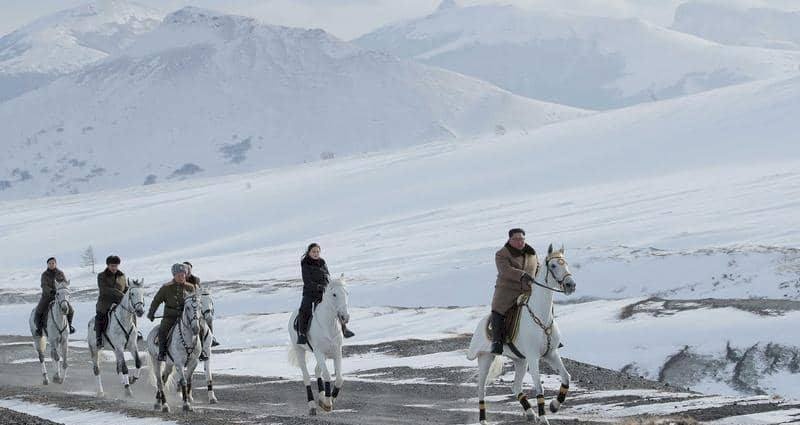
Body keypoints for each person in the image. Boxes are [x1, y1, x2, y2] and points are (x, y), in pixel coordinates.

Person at [490, 228, 539, 355]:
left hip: (528, 290)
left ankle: (549, 335)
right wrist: (522, 275)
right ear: (509, 239)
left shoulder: (532, 253)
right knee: (498, 310)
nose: (520, 242)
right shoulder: (502, 254)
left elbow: (538, 268)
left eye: (522, 239)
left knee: (543, 306)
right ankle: (497, 342)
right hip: (507, 290)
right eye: (516, 239)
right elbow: (505, 270)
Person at [296, 243, 354, 345]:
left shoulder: (322, 262)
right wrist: (319, 287)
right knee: (304, 309)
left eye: (317, 251)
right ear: (309, 252)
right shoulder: (305, 263)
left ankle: (344, 329)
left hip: (323, 292)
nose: (316, 253)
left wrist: (329, 286)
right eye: (313, 251)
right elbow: (307, 281)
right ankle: (302, 334)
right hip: (310, 292)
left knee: (335, 305)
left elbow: (327, 275)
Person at [148, 263, 193, 361]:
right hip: (170, 317)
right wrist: (151, 313)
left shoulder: (190, 288)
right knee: (162, 330)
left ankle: (201, 352)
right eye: (179, 275)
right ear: (174, 275)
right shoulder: (166, 288)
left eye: (183, 274)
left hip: (186, 317)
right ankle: (162, 352)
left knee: (198, 328)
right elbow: (156, 301)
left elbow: (195, 303)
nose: (181, 277)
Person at [34, 257, 75, 335]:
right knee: (39, 311)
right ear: (47, 265)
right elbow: (44, 285)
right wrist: (51, 291)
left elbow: (64, 283)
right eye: (50, 263)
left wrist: (63, 289)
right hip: (48, 296)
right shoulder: (44, 275)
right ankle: (39, 329)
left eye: (53, 263)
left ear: (55, 264)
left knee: (71, 310)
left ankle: (69, 326)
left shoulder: (60, 273)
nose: (51, 265)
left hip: (60, 297)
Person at [183, 261, 219, 347]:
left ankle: (211, 338)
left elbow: (197, 291)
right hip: (184, 304)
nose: (187, 270)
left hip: (194, 303)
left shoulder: (195, 279)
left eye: (188, 268)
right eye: (185, 269)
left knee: (208, 318)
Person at [95, 255, 127, 349]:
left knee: (131, 312)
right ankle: (99, 338)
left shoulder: (122, 276)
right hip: (105, 302)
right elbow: (104, 289)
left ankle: (135, 333)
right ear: (108, 265)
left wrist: (129, 293)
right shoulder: (101, 276)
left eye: (116, 266)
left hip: (119, 302)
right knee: (100, 316)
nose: (114, 268)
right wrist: (119, 293)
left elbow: (125, 288)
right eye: (112, 266)